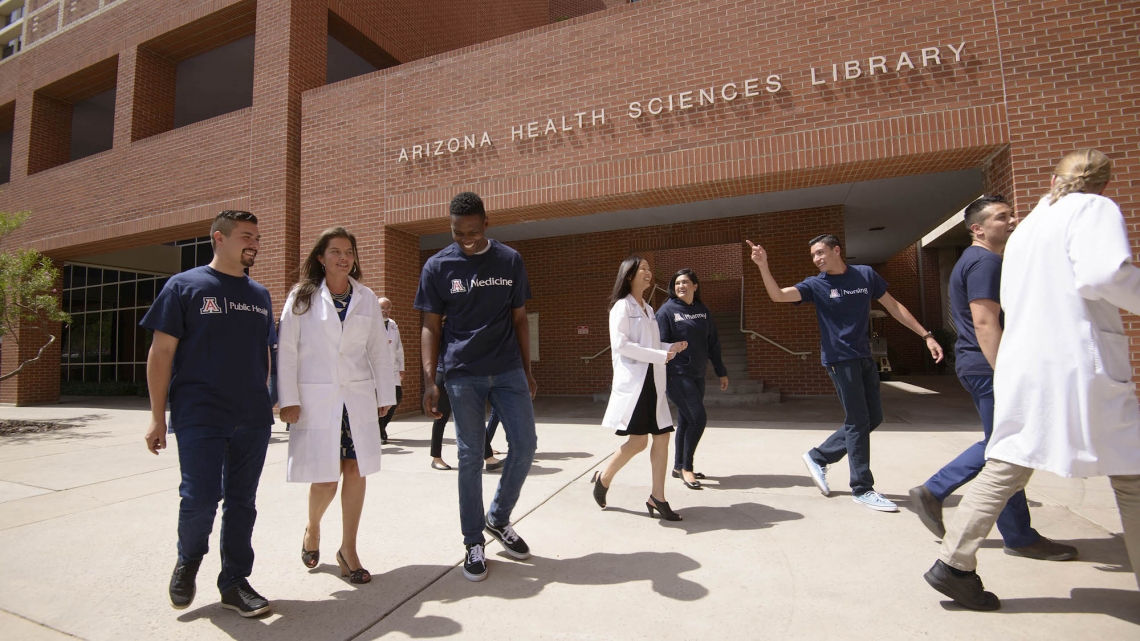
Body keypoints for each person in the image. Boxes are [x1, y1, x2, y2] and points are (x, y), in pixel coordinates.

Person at [924, 149, 1140, 611]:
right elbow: (1106, 274)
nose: (1008, 218)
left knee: (1009, 459)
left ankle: (953, 561)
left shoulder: (1031, 227)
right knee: (1131, 473)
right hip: (1076, 362)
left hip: (1029, 362)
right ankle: (946, 515)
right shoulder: (1091, 209)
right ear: (1103, 182)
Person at [909, 195, 1076, 561]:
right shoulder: (984, 262)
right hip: (989, 367)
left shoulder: (979, 260)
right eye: (1002, 217)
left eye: (1011, 215)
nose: (1012, 221)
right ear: (977, 228)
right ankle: (939, 492)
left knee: (1008, 445)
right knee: (1006, 447)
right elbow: (985, 323)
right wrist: (1007, 375)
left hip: (980, 365)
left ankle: (1016, 533)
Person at [142, 210, 276, 617]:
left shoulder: (260, 295)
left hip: (251, 415)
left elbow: (265, 352)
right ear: (219, 237)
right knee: (200, 498)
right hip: (200, 411)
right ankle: (189, 559)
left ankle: (234, 581)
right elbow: (161, 352)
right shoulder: (185, 286)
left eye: (256, 237)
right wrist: (155, 416)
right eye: (245, 236)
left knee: (242, 501)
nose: (254, 243)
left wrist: (267, 398)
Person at [747, 234, 943, 512]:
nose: (816, 259)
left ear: (837, 250)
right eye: (813, 255)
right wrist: (762, 265)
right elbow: (778, 296)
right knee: (858, 419)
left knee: (873, 417)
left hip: (864, 357)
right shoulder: (817, 284)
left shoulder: (865, 275)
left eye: (820, 253)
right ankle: (862, 487)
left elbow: (893, 306)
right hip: (840, 359)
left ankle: (819, 456)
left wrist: (926, 335)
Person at [415, 191, 538, 582]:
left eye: (471, 231)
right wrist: (431, 379)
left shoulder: (510, 260)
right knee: (469, 457)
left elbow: (520, 318)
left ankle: (497, 518)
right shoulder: (438, 266)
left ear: (487, 223)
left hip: (506, 369)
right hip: (462, 373)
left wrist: (527, 369)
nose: (466, 239)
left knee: (525, 444)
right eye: (457, 233)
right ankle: (473, 541)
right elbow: (430, 327)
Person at [278, 227, 396, 585]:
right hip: (318, 398)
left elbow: (378, 349)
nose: (343, 258)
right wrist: (289, 399)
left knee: (356, 471)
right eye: (335, 251)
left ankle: (349, 550)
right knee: (326, 479)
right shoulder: (302, 297)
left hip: (357, 397)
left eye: (349, 252)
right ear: (321, 257)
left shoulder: (365, 297)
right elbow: (287, 349)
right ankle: (313, 529)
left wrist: (385, 395)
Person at [591, 256, 688, 520]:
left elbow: (652, 345)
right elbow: (620, 345)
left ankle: (658, 497)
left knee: (662, 436)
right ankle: (604, 477)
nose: (648, 272)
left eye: (649, 268)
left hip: (652, 381)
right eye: (642, 269)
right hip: (636, 382)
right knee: (637, 442)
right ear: (629, 275)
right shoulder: (621, 307)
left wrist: (669, 348)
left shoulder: (647, 308)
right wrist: (659, 355)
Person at [656, 268, 728, 489]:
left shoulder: (702, 310)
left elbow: (712, 342)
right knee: (698, 418)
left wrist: (720, 370)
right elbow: (658, 344)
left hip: (698, 373)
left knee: (688, 421)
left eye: (686, 282)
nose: (681, 286)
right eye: (677, 283)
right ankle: (687, 468)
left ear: (695, 286)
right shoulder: (667, 311)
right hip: (676, 375)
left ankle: (678, 466)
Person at [378, 297, 404, 444]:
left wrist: (402, 367)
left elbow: (398, 348)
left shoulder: (393, 324)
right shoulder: (371, 323)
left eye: (388, 307)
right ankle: (380, 430)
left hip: (392, 368)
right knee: (380, 400)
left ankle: (383, 426)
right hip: (376, 369)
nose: (385, 310)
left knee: (397, 395)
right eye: (382, 307)